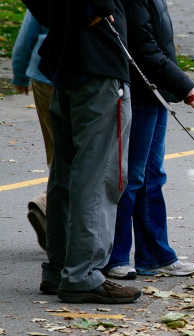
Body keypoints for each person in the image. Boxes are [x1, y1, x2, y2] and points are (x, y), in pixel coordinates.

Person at [22, 0, 141, 304]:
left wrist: (62, 17)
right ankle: (82, 273)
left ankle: (61, 266)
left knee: (66, 173)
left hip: (66, 65)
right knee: (98, 176)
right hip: (97, 66)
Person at [103, 0, 194, 279]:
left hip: (157, 94)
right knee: (131, 178)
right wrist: (182, 83)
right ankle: (116, 256)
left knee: (153, 175)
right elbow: (145, 49)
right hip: (140, 94)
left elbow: (158, 43)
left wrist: (173, 84)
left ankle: (155, 254)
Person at [11, 10, 54, 251]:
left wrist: (20, 75)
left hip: (42, 78)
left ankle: (51, 211)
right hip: (79, 80)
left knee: (55, 150)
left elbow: (27, 35)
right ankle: (48, 206)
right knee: (77, 158)